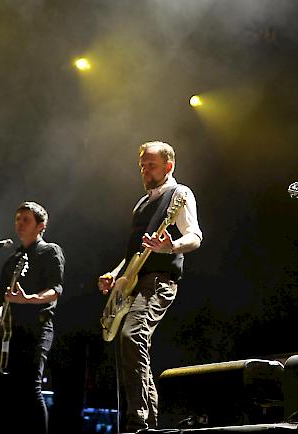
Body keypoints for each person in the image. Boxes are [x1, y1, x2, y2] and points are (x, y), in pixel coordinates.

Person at [98, 141, 203, 432]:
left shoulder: (179, 194)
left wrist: (171, 247)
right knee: (133, 346)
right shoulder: (142, 204)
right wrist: (114, 273)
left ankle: (137, 420)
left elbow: (194, 236)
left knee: (132, 337)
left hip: (159, 282)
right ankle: (149, 423)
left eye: (151, 164)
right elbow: (135, 252)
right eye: (142, 165)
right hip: (133, 284)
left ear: (169, 166)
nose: (145, 170)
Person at [0, 201, 65, 434]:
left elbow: (56, 289)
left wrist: (28, 298)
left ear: (41, 226)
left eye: (26, 220)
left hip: (37, 329)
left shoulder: (50, 251)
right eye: (17, 219)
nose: (19, 224)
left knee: (32, 388)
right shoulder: (12, 259)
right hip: (10, 332)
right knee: (8, 390)